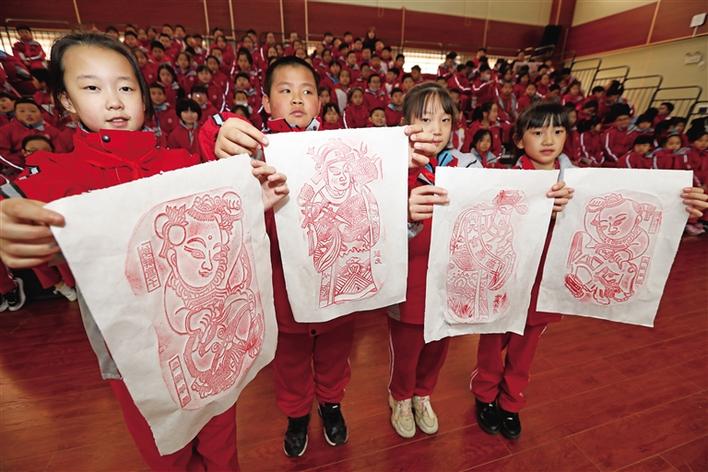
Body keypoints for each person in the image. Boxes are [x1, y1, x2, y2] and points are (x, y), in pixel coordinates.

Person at [0, 32, 290, 471]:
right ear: (65, 101)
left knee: (220, 435)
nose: (114, 101)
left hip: (207, 334)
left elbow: (217, 192)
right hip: (129, 353)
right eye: (92, 87)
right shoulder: (59, 173)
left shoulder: (177, 164)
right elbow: (21, 207)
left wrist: (246, 185)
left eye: (126, 87)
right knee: (165, 448)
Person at [210, 55, 439, 457]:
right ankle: (297, 415)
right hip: (284, 286)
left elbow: (379, 192)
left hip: (339, 288)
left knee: (335, 354)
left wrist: (400, 168)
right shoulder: (250, 151)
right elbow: (214, 171)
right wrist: (217, 136)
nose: (297, 99)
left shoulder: (344, 146)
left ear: (320, 102)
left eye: (307, 91)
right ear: (265, 101)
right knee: (291, 361)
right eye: (285, 91)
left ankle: (331, 405)